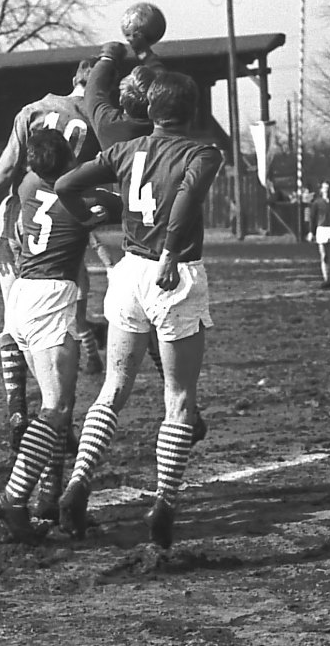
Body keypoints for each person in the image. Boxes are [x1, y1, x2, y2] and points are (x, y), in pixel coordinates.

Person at [55, 71, 223, 549]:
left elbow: (67, 183)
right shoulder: (203, 152)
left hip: (128, 273)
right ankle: (164, 504)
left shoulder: (126, 151)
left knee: (112, 388)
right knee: (179, 398)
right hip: (174, 275)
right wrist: (170, 251)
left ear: (150, 111)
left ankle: (78, 484)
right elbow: (188, 196)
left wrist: (95, 214)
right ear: (192, 112)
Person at [0, 59, 107, 463]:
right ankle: (59, 417)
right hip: (68, 216)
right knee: (68, 308)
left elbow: (6, 166)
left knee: (15, 316)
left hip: (18, 217)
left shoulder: (35, 110)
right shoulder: (100, 117)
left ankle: (16, 404)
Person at [0, 130, 122, 543]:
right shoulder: (78, 202)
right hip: (51, 297)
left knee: (58, 410)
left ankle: (47, 498)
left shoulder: (26, 185)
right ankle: (14, 500)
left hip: (22, 297)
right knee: (56, 407)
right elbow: (116, 206)